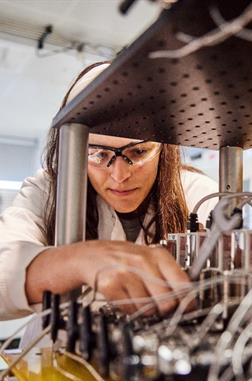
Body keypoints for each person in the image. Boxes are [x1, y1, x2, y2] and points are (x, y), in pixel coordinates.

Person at [0, 61, 218, 320]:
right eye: (99, 153)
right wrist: (77, 261)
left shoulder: (197, 192)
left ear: (164, 148)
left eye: (138, 152)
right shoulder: (47, 190)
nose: (120, 175)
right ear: (76, 149)